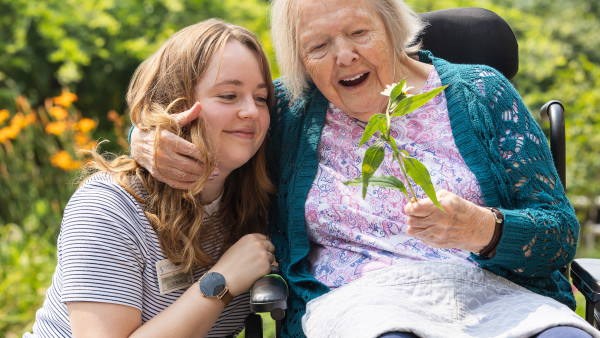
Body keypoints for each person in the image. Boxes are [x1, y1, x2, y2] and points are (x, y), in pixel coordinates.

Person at [130, 1, 599, 337]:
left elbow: (558, 234)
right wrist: (144, 140)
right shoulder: (288, 112)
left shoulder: (482, 94)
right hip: (364, 310)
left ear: (394, 28)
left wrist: (483, 228)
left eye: (358, 33)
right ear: (301, 62)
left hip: (503, 302)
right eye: (318, 46)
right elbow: (217, 118)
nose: (344, 57)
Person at [25, 19, 276, 337]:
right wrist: (221, 283)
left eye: (261, 97)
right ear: (176, 104)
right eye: (228, 95)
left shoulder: (256, 198)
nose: (251, 111)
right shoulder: (108, 207)